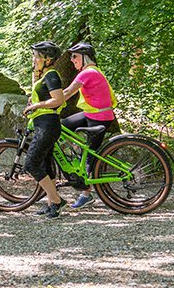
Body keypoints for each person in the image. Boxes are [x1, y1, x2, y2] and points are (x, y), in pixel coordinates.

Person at [61, 42, 117, 209]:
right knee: (61, 126)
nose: (72, 60)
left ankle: (86, 194)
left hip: (99, 117)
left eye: (75, 56)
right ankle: (76, 149)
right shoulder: (91, 72)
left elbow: (67, 93)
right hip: (91, 114)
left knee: (90, 156)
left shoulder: (88, 73)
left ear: (84, 57)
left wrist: (44, 104)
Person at [23, 41, 67, 219]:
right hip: (43, 123)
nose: (33, 59)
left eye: (36, 56)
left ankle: (56, 201)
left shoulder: (51, 75)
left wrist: (37, 105)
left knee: (31, 164)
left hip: (48, 124)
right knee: (46, 165)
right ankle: (51, 204)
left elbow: (58, 99)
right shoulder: (44, 76)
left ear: (47, 59)